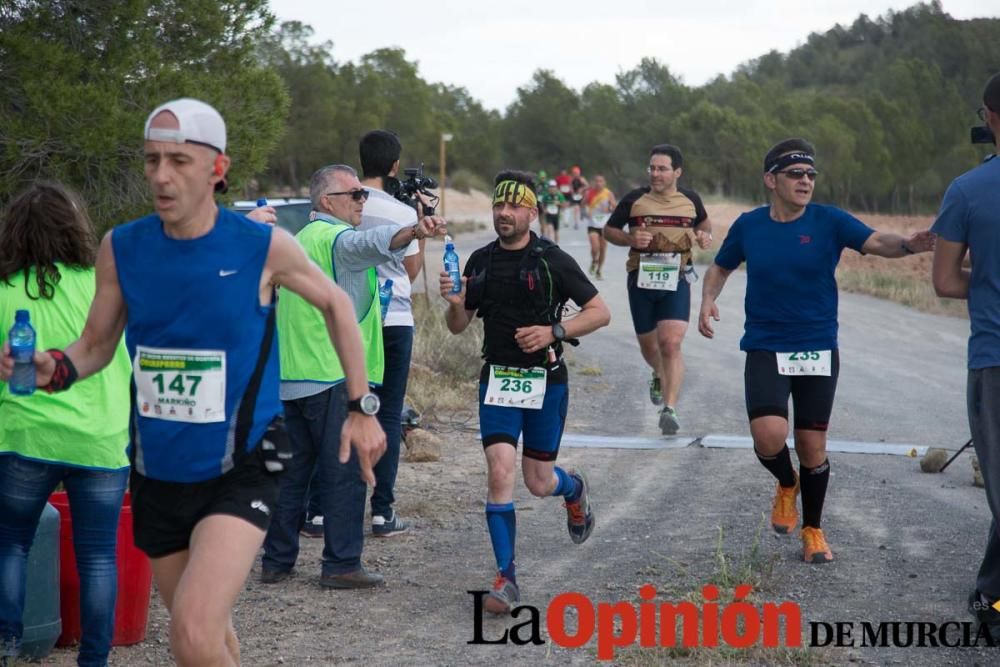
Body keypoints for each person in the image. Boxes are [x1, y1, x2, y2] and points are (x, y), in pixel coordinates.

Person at [1, 98, 386, 667]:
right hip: (158, 471)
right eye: (152, 159)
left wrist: (361, 405)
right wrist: (51, 368)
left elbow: (334, 303)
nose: (161, 175)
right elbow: (95, 347)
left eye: (179, 160)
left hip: (246, 462)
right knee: (208, 636)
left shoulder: (262, 247)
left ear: (217, 168)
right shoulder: (121, 249)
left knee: (192, 632)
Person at [698, 138, 934, 564]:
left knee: (812, 445)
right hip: (767, 344)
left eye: (810, 175)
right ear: (771, 180)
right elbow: (720, 267)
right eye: (795, 174)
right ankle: (787, 484)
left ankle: (813, 529)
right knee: (768, 436)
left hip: (817, 347)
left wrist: (910, 245)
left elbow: (878, 241)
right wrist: (707, 298)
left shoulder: (829, 221)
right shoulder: (750, 225)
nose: (806, 181)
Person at [261, 164, 444, 589]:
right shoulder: (334, 238)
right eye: (356, 195)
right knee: (344, 473)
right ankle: (342, 564)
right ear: (328, 202)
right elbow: (374, 243)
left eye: (363, 194)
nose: (363, 201)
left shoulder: (299, 240)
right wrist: (414, 232)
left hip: (292, 379)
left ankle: (277, 561)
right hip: (331, 377)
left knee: (293, 477)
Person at [440, 170, 610, 614]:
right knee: (500, 472)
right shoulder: (479, 260)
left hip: (545, 381)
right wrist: (456, 305)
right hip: (497, 379)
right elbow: (459, 326)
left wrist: (553, 330)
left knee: (537, 482)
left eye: (514, 207)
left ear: (532, 213)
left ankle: (572, 490)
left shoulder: (552, 259)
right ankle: (506, 578)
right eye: (498, 206)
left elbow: (600, 312)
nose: (504, 213)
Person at [0, 182, 131, 667]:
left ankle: (8, 649)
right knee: (98, 556)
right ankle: (94, 660)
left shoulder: (3, 290)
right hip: (99, 438)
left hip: (23, 436)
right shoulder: (107, 288)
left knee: (10, 544)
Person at [931, 72, 1000, 639]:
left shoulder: (967, 191)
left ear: (989, 117)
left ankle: (992, 600)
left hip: (994, 361)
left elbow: (946, 282)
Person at [603, 144, 712, 435]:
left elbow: (704, 223)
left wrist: (703, 236)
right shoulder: (634, 199)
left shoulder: (690, 199)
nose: (655, 173)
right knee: (650, 347)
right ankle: (658, 372)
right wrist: (629, 238)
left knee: (671, 343)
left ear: (677, 171)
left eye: (662, 168)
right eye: (652, 168)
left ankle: (670, 408)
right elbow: (609, 230)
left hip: (676, 278)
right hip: (641, 279)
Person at [359, 129, 425, 537]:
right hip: (394, 320)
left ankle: (317, 511)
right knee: (387, 412)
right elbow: (412, 271)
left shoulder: (339, 203)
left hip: (348, 319)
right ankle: (382, 511)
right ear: (395, 166)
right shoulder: (402, 213)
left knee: (340, 409)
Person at [582, 174, 616, 279]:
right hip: (592, 224)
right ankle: (594, 261)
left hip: (604, 225)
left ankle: (599, 270)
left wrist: (610, 209)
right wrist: (586, 213)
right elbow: (582, 205)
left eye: (601, 181)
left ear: (604, 182)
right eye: (597, 181)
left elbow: (614, 207)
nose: (598, 183)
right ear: (593, 182)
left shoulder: (608, 193)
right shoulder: (589, 193)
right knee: (595, 247)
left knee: (603, 249)